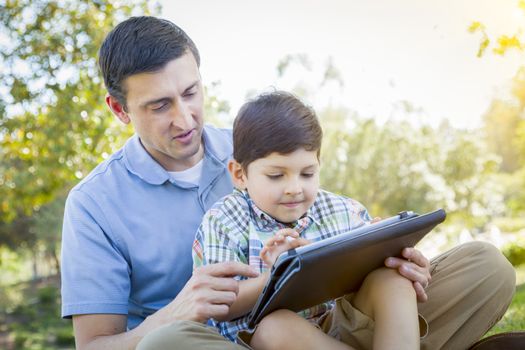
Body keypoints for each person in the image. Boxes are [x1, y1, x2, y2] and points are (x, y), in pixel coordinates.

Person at [60, 15, 515, 350]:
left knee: (486, 267)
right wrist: (170, 315)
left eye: (192, 93)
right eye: (159, 105)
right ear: (120, 110)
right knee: (165, 345)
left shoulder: (257, 149)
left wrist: (395, 259)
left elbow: (331, 230)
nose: (185, 118)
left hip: (332, 325)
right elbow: (93, 346)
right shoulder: (94, 204)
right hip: (235, 342)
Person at [192, 91, 517, 350]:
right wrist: (281, 273)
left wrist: (401, 262)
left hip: (354, 326)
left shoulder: (344, 211)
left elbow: (380, 288)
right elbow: (218, 305)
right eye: (276, 176)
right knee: (274, 329)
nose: (295, 188)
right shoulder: (224, 220)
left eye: (308, 173)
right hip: (283, 342)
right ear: (239, 174)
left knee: (482, 265)